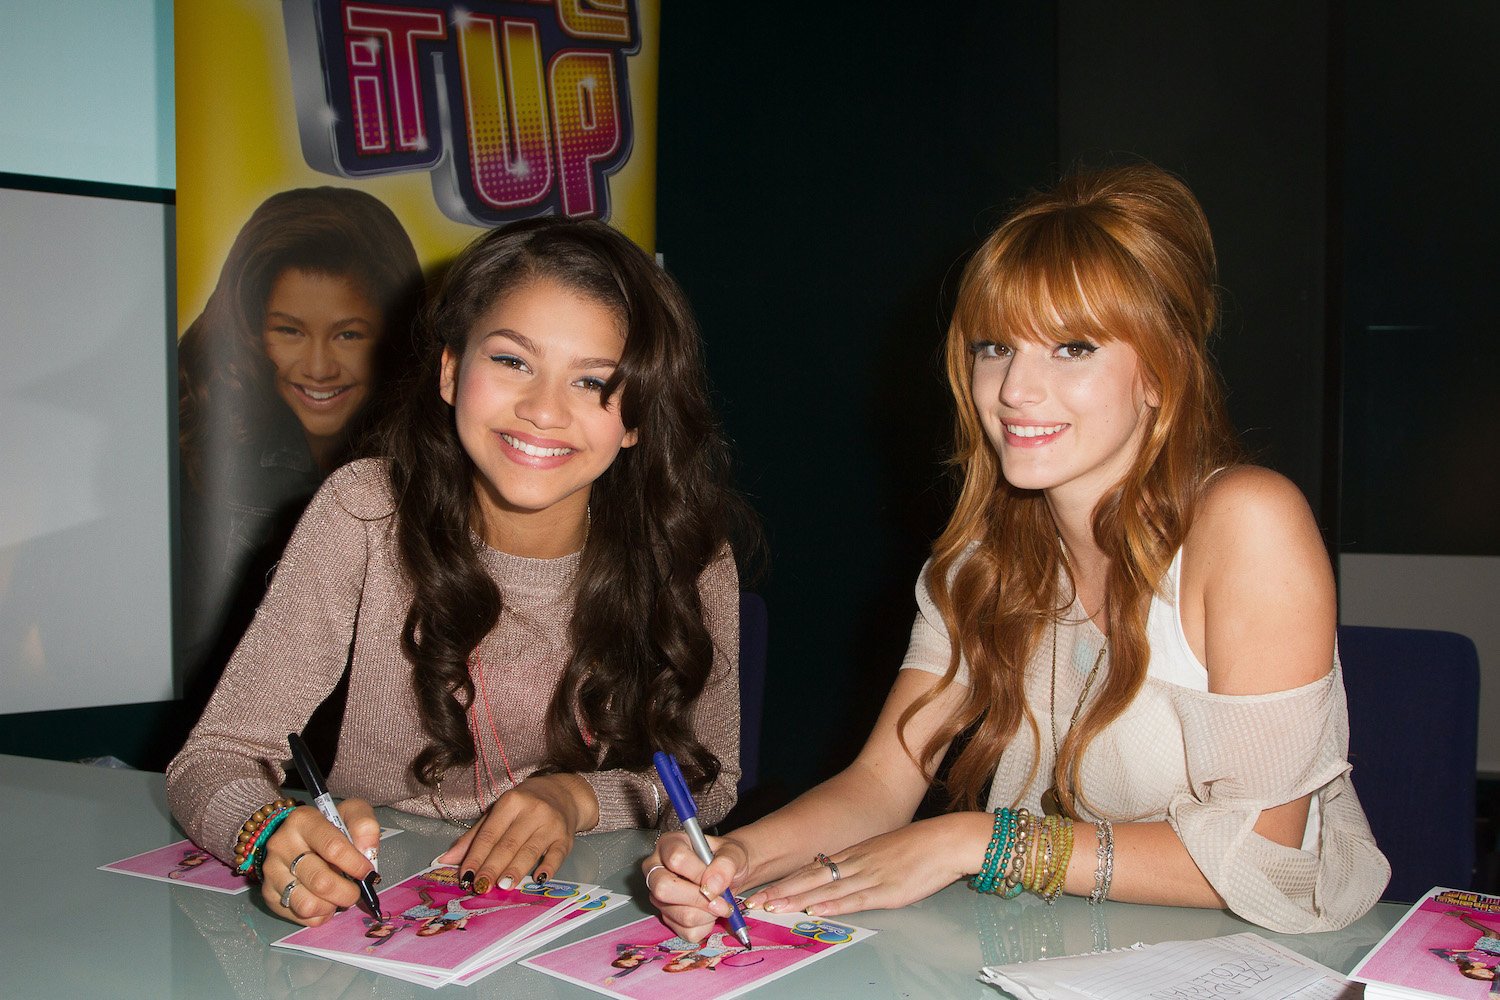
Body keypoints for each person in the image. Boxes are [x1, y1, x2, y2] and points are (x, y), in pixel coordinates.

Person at [645, 163, 1389, 937]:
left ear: (1163, 374)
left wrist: (979, 841)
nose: (1013, 391)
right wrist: (733, 856)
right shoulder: (980, 560)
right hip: (1079, 946)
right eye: (995, 346)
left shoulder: (1246, 523)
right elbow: (882, 781)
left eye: (1072, 348)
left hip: (1272, 959)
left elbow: (1262, 854)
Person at [168, 217, 754, 927]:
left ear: (636, 419)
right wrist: (269, 836)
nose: (543, 411)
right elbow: (215, 757)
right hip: (380, 905)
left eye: (594, 380)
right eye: (512, 361)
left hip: (589, 906)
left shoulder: (687, 551)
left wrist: (574, 798)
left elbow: (709, 779)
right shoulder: (365, 511)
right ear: (451, 371)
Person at [176, 187, 423, 711]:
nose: (317, 367)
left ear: (394, 338)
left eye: (348, 335)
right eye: (289, 331)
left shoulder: (432, 461)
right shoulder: (198, 452)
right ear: (248, 332)